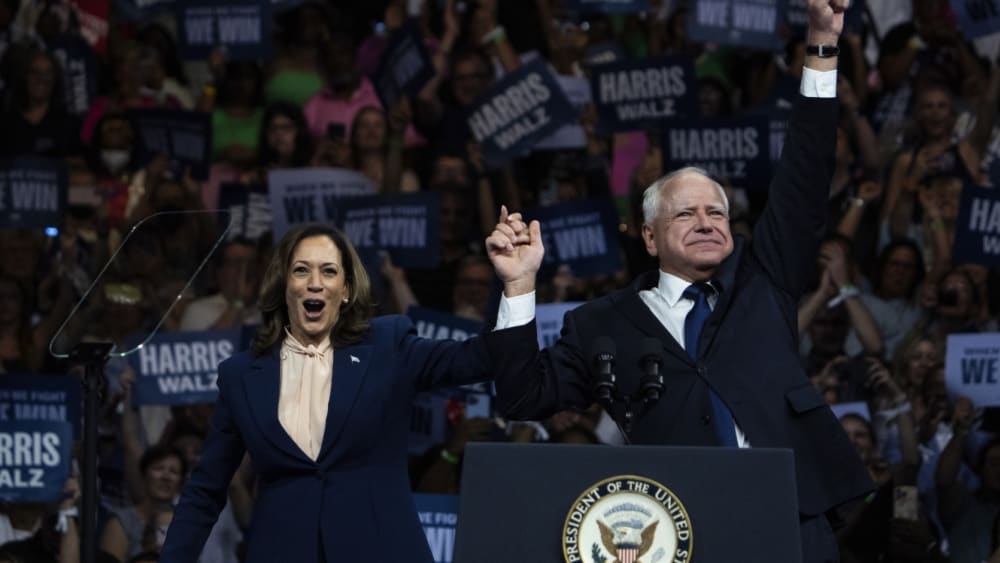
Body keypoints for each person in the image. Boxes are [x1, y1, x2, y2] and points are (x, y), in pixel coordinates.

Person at [484, 2, 872, 561]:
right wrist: (519, 287)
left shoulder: (764, 278)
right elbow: (522, 395)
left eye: (716, 213)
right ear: (649, 237)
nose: (706, 223)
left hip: (790, 515)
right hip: (681, 530)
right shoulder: (600, 324)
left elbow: (806, 170)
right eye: (685, 214)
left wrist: (821, 43)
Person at [159, 221, 526, 562]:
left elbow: (482, 359)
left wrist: (512, 284)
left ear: (347, 289)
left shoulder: (389, 346)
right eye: (301, 270)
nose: (315, 283)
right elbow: (205, 490)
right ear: (283, 285)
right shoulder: (240, 375)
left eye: (329, 271)